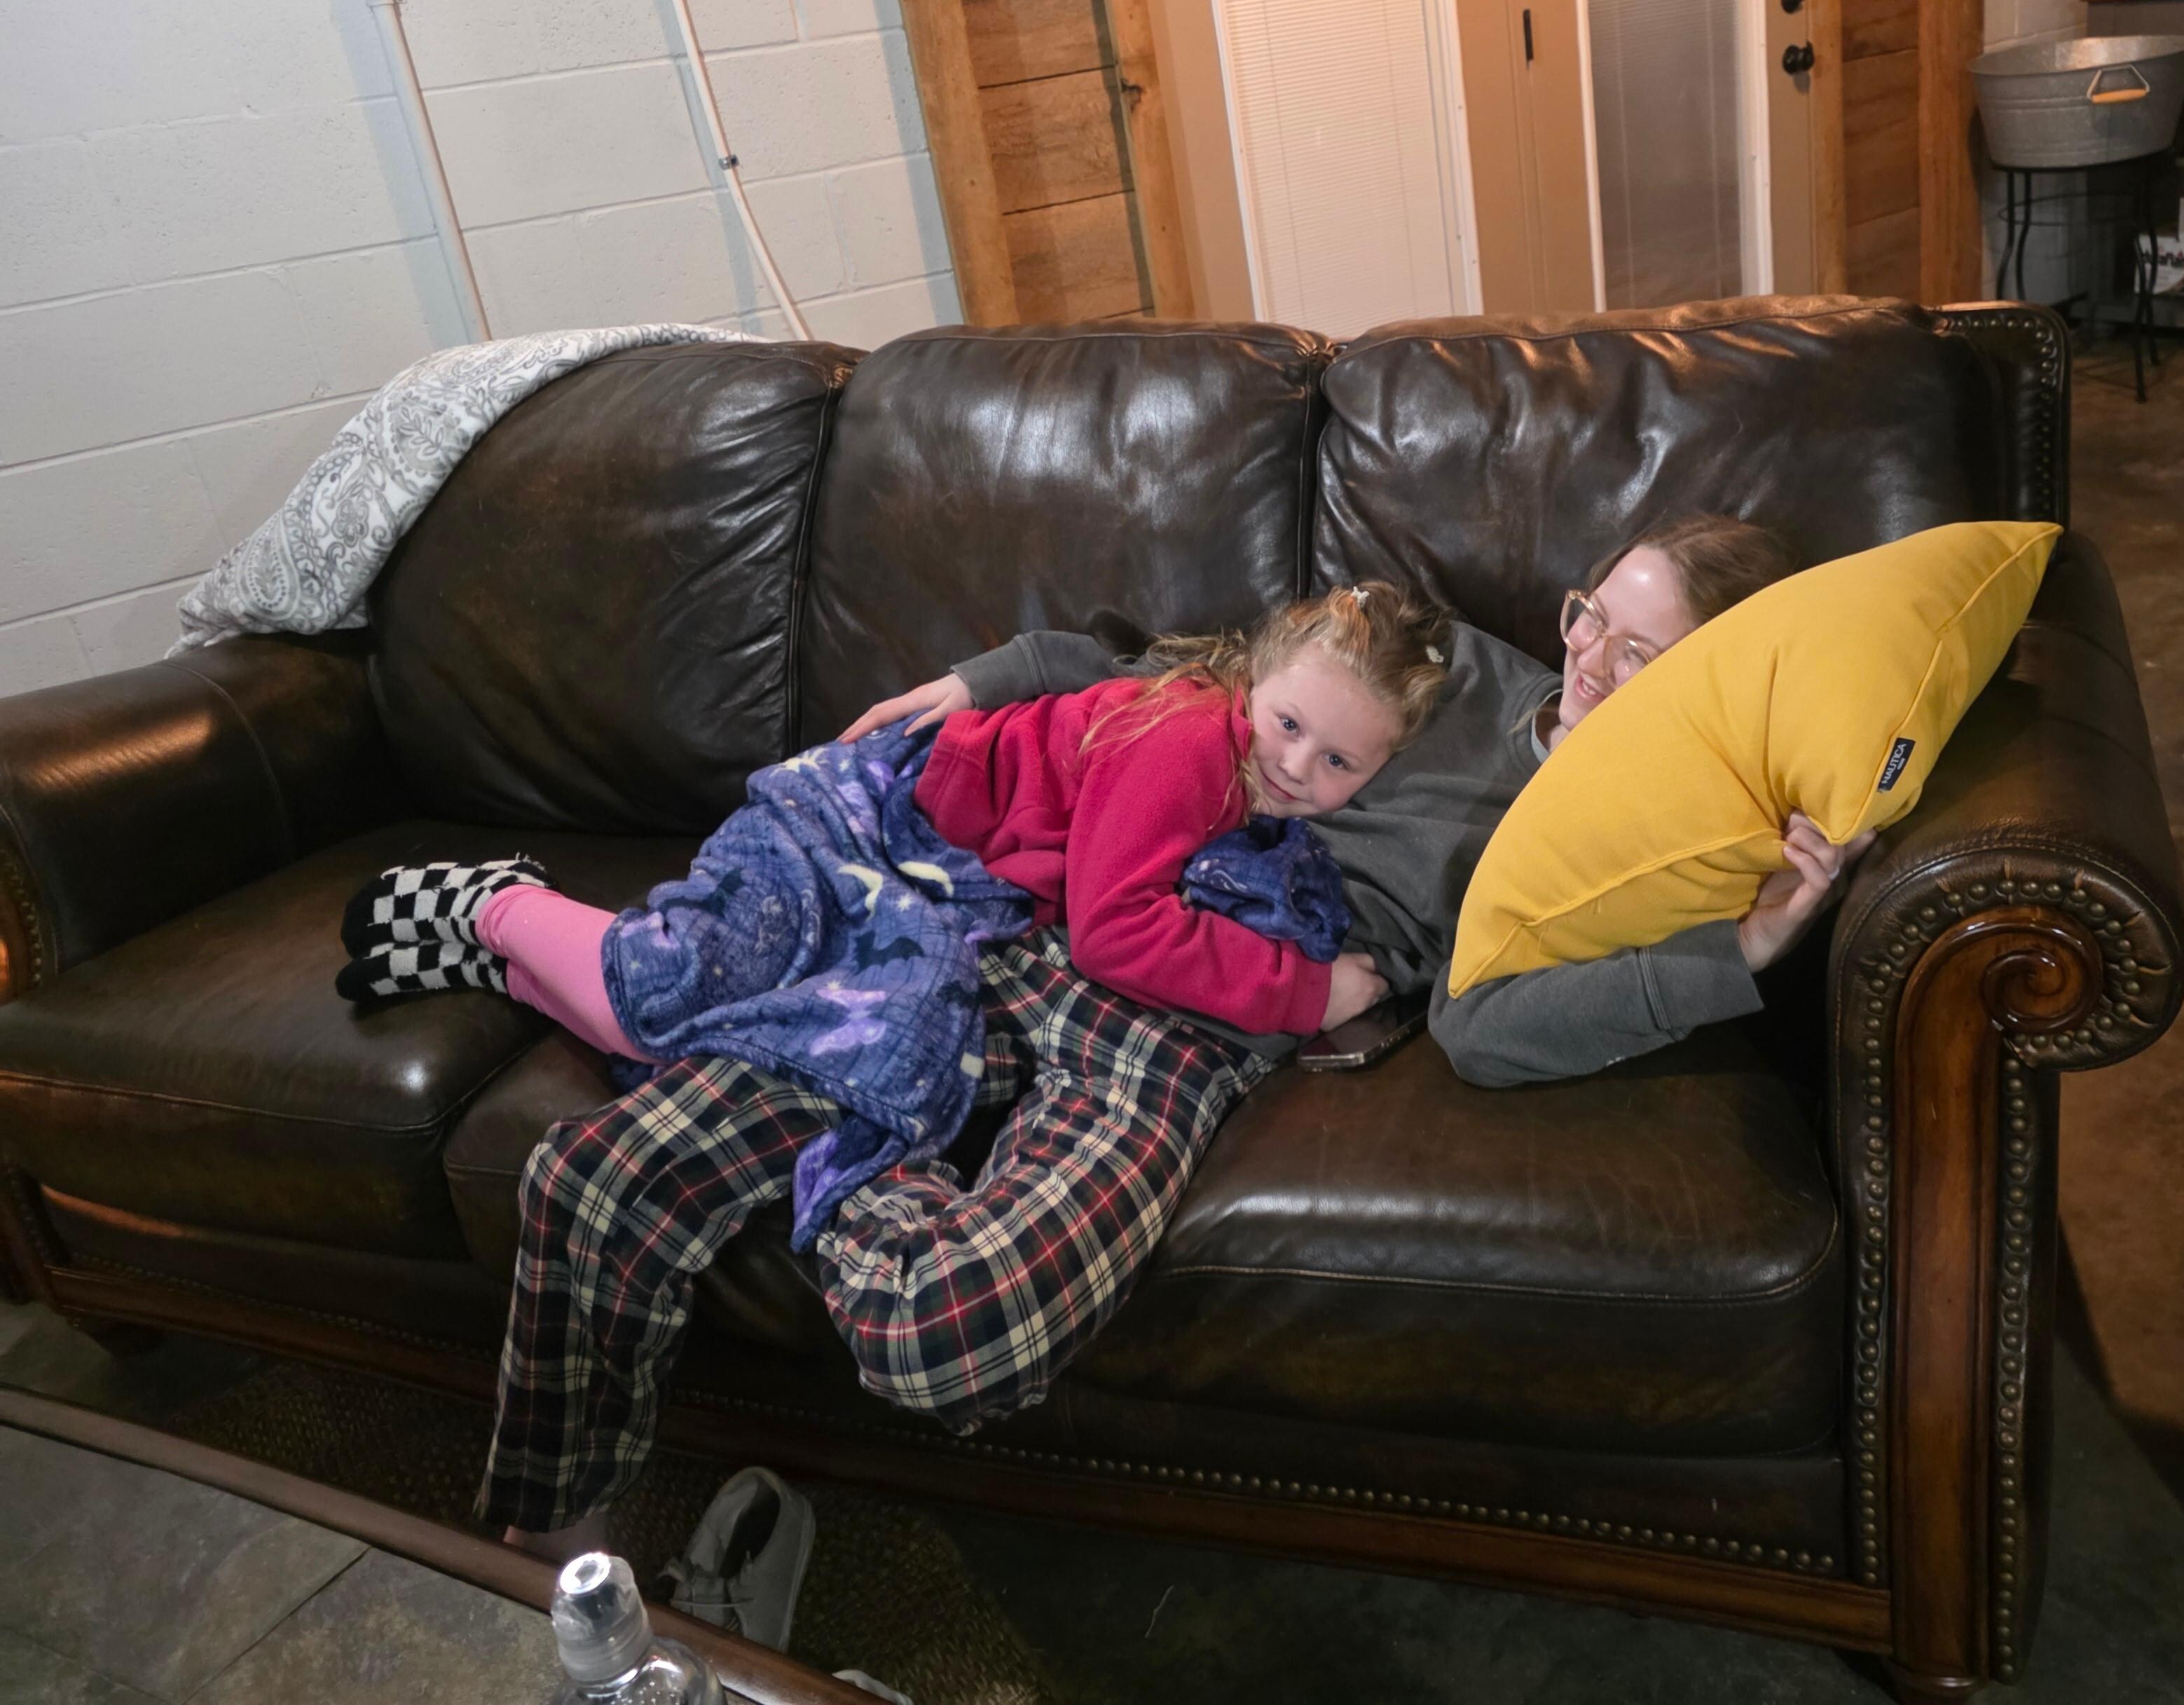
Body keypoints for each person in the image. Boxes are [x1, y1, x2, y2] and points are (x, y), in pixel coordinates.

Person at [349, 584, 1450, 1567]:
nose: (1299, 768)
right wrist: (1308, 991)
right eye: (1290, 727)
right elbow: (1118, 899)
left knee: (726, 1085)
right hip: (900, 842)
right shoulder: (1192, 729)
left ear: (1386, 765)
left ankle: (527, 963)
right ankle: (503, 915)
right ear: (1255, 676)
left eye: (1341, 763)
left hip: (1049, 938)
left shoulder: (1351, 764)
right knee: (639, 1047)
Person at [845, 514, 1875, 1091]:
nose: (1590, 661)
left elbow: (1478, 1031)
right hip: (1084, 884)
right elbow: (1235, 681)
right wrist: (1004, 674)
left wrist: (1741, 952)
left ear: (1710, 688)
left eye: (1640, 654)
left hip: (1210, 996)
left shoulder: (1619, 847)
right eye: (1591, 617)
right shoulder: (1456, 667)